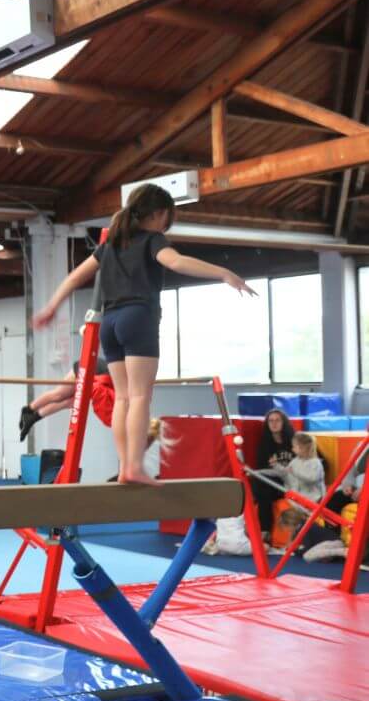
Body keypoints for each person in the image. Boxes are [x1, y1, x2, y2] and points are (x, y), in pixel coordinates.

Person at [33, 185, 254, 486]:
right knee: (139, 397)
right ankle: (133, 467)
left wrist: (51, 307)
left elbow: (75, 276)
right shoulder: (152, 240)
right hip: (138, 318)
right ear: (160, 214)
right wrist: (225, 273)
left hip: (109, 323)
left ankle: (126, 466)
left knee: (122, 397)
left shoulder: (111, 242)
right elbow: (175, 261)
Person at [17, 358, 110, 441]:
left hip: (95, 379)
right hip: (87, 369)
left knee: (70, 403)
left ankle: (33, 418)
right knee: (58, 395)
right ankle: (28, 410)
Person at [252, 408, 296, 539]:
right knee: (260, 484)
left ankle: (265, 530)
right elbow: (263, 469)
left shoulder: (295, 440)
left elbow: (318, 460)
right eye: (270, 421)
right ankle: (265, 531)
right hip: (275, 483)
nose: (274, 423)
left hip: (293, 482)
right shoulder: (265, 444)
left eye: (277, 420)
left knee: (261, 488)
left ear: (284, 423)